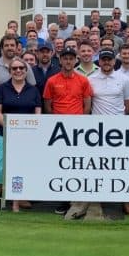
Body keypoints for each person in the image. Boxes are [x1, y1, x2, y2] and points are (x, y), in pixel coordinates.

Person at [43, 46, 93, 216]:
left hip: (77, 130)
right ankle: (64, 201)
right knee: (61, 165)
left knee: (75, 165)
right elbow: (48, 105)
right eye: (65, 58)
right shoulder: (52, 80)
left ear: (75, 60)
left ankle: (76, 200)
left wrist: (80, 123)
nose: (68, 61)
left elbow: (87, 104)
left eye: (71, 58)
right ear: (60, 60)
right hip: (59, 130)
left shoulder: (83, 80)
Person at [85, 47, 129, 217]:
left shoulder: (124, 79)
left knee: (121, 165)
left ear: (114, 61)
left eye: (109, 59)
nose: (106, 62)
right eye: (103, 59)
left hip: (118, 130)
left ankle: (125, 200)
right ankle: (97, 200)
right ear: (99, 61)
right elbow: (89, 103)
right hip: (97, 130)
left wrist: (118, 120)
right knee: (97, 165)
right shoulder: (90, 79)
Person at [0, 58, 41, 212]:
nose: (18, 71)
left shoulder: (33, 90)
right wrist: (11, 127)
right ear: (10, 71)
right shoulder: (2, 89)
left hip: (25, 137)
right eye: (14, 68)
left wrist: (24, 129)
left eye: (21, 68)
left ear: (26, 70)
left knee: (19, 170)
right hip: (4, 134)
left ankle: (15, 204)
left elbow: (37, 113)